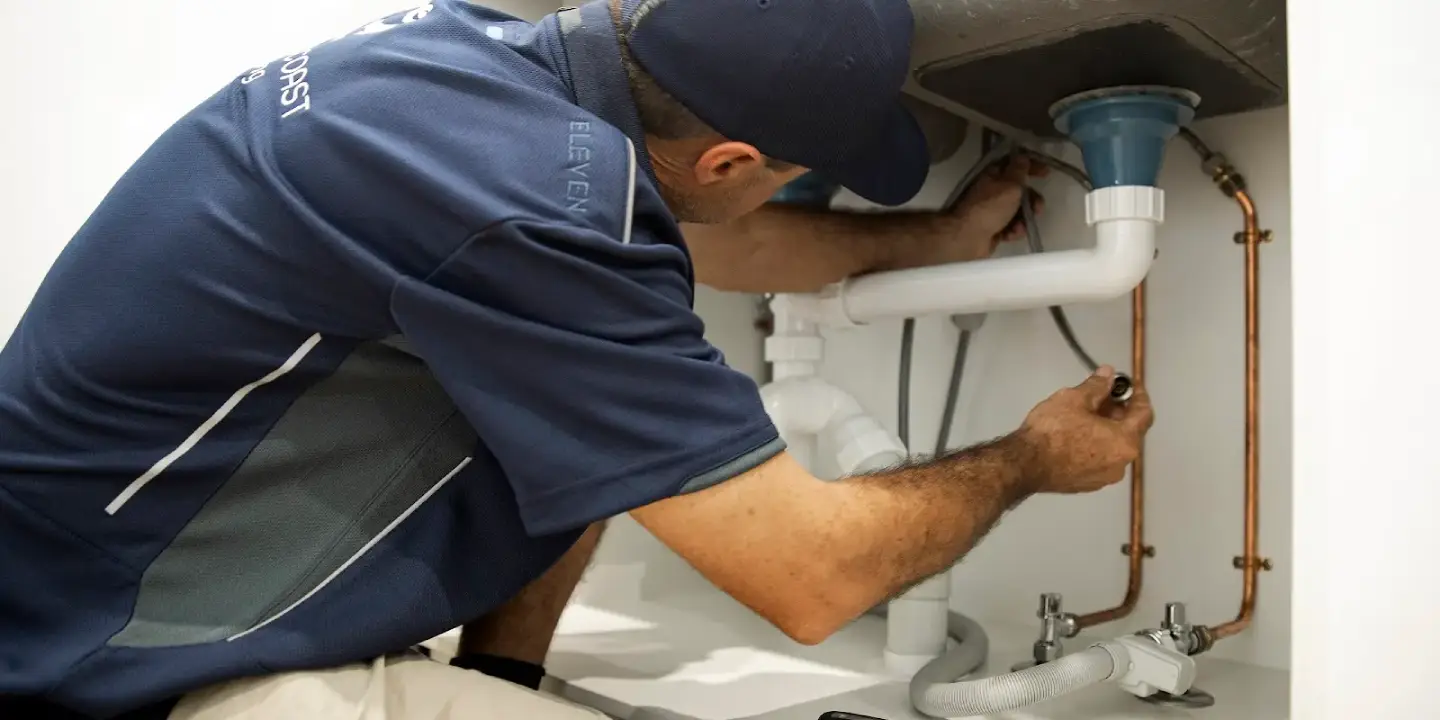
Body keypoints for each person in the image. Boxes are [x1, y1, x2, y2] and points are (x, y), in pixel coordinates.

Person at [0, 0, 1151, 719]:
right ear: (731, 157)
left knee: (617, 417)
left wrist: (936, 240)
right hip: (110, 671)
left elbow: (717, 235)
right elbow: (817, 581)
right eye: (800, 169)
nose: (788, 190)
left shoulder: (467, 63)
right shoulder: (539, 201)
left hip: (58, 584)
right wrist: (1030, 456)